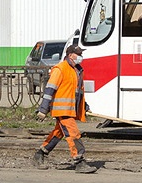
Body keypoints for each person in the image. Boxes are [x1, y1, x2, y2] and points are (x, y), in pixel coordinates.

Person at [32, 44, 97, 173]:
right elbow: (50, 89)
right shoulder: (60, 69)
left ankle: (40, 154)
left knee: (58, 133)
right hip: (62, 110)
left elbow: (78, 92)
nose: (80, 57)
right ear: (70, 55)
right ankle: (79, 161)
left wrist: (84, 106)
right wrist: (43, 109)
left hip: (69, 109)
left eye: (81, 54)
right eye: (78, 54)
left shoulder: (77, 70)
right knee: (73, 134)